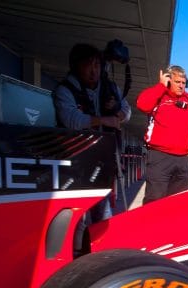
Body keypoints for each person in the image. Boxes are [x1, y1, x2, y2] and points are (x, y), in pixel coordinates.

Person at [53, 43, 131, 222]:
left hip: (102, 160)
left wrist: (118, 111)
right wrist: (104, 120)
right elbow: (72, 120)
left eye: (97, 65)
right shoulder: (65, 90)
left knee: (103, 212)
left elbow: (127, 111)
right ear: (75, 66)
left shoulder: (109, 87)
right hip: (75, 161)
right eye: (88, 65)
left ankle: (101, 246)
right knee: (75, 216)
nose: (94, 70)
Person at [136, 65, 188, 204]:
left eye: (183, 83)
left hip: (184, 160)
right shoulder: (159, 95)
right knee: (154, 200)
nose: (181, 86)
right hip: (160, 157)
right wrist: (161, 86)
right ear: (169, 81)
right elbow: (143, 105)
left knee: (178, 203)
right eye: (177, 82)